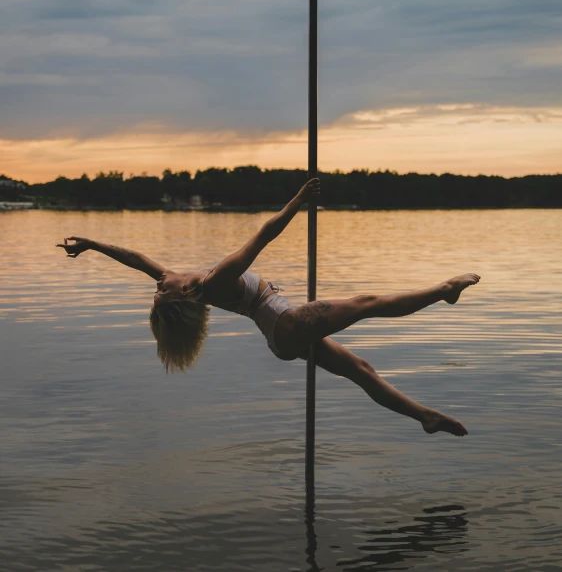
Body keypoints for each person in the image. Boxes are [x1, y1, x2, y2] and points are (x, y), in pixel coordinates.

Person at [57, 178, 480, 437]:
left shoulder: (173, 282)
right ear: (180, 301)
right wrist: (299, 198)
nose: (157, 287)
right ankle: (444, 290)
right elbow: (264, 235)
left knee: (361, 369)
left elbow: (133, 258)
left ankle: (423, 416)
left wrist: (92, 245)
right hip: (286, 324)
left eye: (156, 292)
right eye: (159, 296)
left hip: (280, 332)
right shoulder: (211, 282)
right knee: (364, 304)